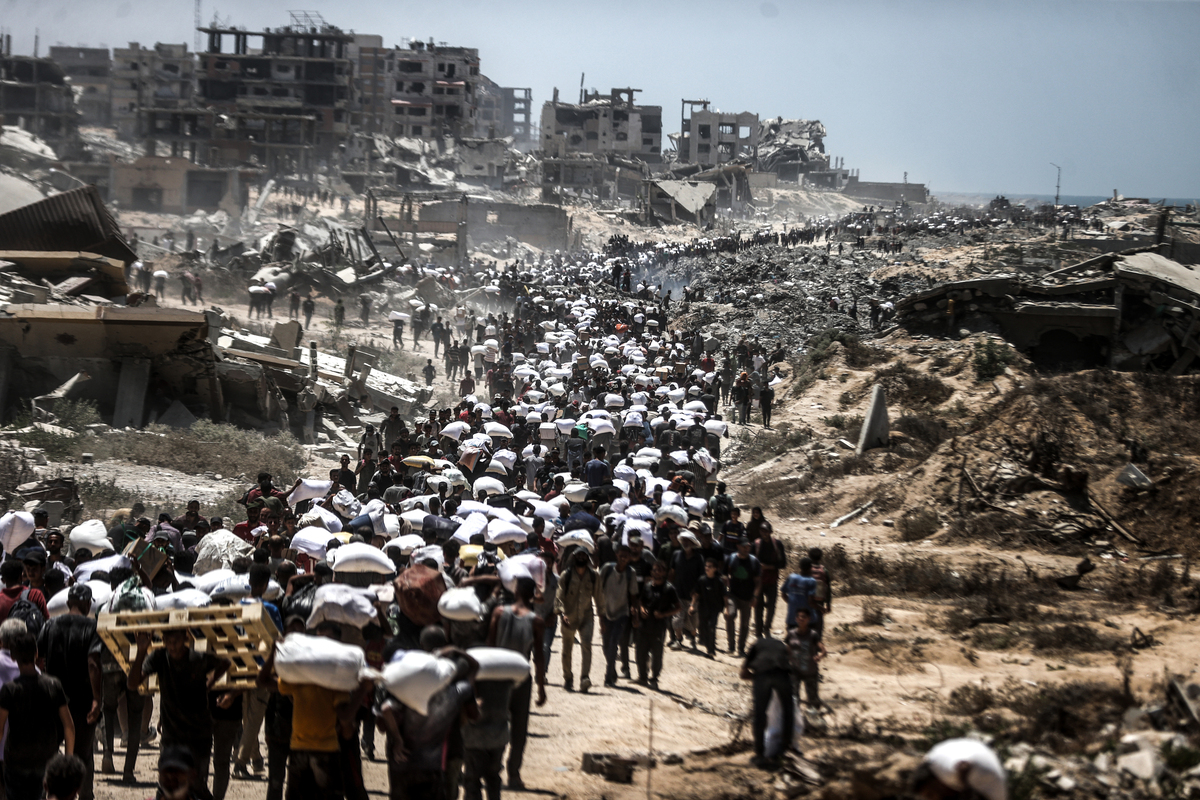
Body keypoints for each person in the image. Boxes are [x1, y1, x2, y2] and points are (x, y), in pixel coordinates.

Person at [129, 628, 232, 800]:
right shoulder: (159, 657)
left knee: (196, 785)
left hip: (198, 735)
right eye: (168, 642)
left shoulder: (197, 658)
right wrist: (141, 652)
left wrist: (211, 681)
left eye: (176, 641)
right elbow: (133, 684)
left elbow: (225, 662)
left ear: (185, 638)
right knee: (168, 786)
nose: (172, 646)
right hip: (172, 735)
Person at [36, 585, 102, 800]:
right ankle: (85, 796)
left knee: (50, 752)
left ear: (67, 604)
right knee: (83, 754)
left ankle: (51, 794)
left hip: (52, 700)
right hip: (82, 701)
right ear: (88, 604)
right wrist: (96, 699)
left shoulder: (50, 624)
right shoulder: (93, 626)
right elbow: (93, 663)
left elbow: (38, 658)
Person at [0, 629, 75, 800]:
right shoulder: (53, 685)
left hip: (15, 761)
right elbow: (69, 726)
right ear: (36, 653)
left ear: (13, 657)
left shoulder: (10, 690)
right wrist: (67, 760)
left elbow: (0, 728)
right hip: (46, 759)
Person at [486, 577, 546, 790]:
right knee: (519, 729)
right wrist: (541, 687)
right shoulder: (536, 621)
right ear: (533, 595)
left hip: (498, 678)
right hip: (522, 678)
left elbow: (489, 646)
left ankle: (493, 768)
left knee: (497, 723)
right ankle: (514, 774)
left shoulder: (499, 613)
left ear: (516, 591)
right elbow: (538, 657)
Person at [738, 633, 793, 769]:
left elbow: (743, 673)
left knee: (760, 714)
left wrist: (756, 677)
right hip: (782, 674)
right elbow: (793, 662)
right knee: (788, 711)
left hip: (762, 674)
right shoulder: (782, 646)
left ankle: (760, 753)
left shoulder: (756, 645)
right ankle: (786, 750)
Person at [554, 549, 598, 693]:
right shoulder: (566, 576)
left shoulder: (593, 576)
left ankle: (585, 678)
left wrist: (603, 617)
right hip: (569, 617)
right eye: (578, 555)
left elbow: (599, 597)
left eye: (584, 555)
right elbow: (559, 596)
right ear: (574, 558)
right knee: (567, 649)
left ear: (587, 558)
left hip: (587, 616)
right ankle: (568, 677)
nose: (581, 557)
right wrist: (562, 614)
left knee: (586, 646)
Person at [634, 560, 680, 690]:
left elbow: (678, 608)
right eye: (655, 570)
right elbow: (641, 601)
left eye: (660, 570)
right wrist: (641, 609)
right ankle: (642, 677)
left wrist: (664, 614)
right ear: (651, 572)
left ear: (664, 573)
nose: (657, 572)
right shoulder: (647, 586)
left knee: (657, 655)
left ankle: (654, 678)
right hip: (644, 626)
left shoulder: (669, 589)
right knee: (640, 653)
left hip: (658, 628)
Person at [597, 545, 638, 687]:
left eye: (626, 556)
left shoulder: (630, 573)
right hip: (606, 612)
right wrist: (600, 616)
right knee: (606, 646)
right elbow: (598, 591)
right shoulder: (607, 569)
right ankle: (612, 670)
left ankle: (608, 677)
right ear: (616, 555)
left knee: (614, 643)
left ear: (629, 558)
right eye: (621, 555)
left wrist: (635, 614)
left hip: (622, 613)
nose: (623, 558)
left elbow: (633, 595)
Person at [913, 739, 1007, 800]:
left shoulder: (947, 772)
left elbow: (964, 766)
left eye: (930, 794)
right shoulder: (933, 760)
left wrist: (965, 788)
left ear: (932, 782)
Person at [724, 538, 761, 657]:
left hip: (747, 597)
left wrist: (755, 596)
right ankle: (731, 646)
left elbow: (758, 582)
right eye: (745, 546)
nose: (747, 549)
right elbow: (725, 575)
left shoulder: (754, 561)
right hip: (733, 594)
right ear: (738, 546)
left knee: (745, 624)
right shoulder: (732, 559)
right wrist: (726, 587)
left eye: (748, 546)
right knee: (730, 615)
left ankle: (741, 648)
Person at [786, 608, 826, 709]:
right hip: (795, 671)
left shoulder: (813, 635)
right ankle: (795, 721)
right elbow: (786, 650)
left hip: (810, 672)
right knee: (793, 699)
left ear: (809, 619)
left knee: (813, 700)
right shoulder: (791, 634)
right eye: (798, 617)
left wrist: (819, 656)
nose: (801, 619)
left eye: (803, 617)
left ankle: (814, 721)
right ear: (795, 619)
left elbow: (823, 651)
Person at [753, 521, 787, 638]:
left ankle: (766, 627)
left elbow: (783, 564)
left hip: (772, 580)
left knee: (771, 606)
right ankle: (758, 630)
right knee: (758, 606)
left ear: (771, 532)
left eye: (766, 531)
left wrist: (768, 567)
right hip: (759, 581)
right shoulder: (756, 545)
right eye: (762, 531)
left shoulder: (777, 545)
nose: (764, 533)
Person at [690, 557, 726, 657]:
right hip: (703, 608)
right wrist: (692, 605)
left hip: (715, 609)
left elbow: (725, 596)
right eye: (706, 566)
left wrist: (726, 609)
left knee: (711, 627)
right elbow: (696, 594)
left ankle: (711, 650)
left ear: (715, 569)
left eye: (709, 566)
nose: (707, 568)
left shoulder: (719, 582)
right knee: (703, 628)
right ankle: (707, 645)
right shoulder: (702, 580)